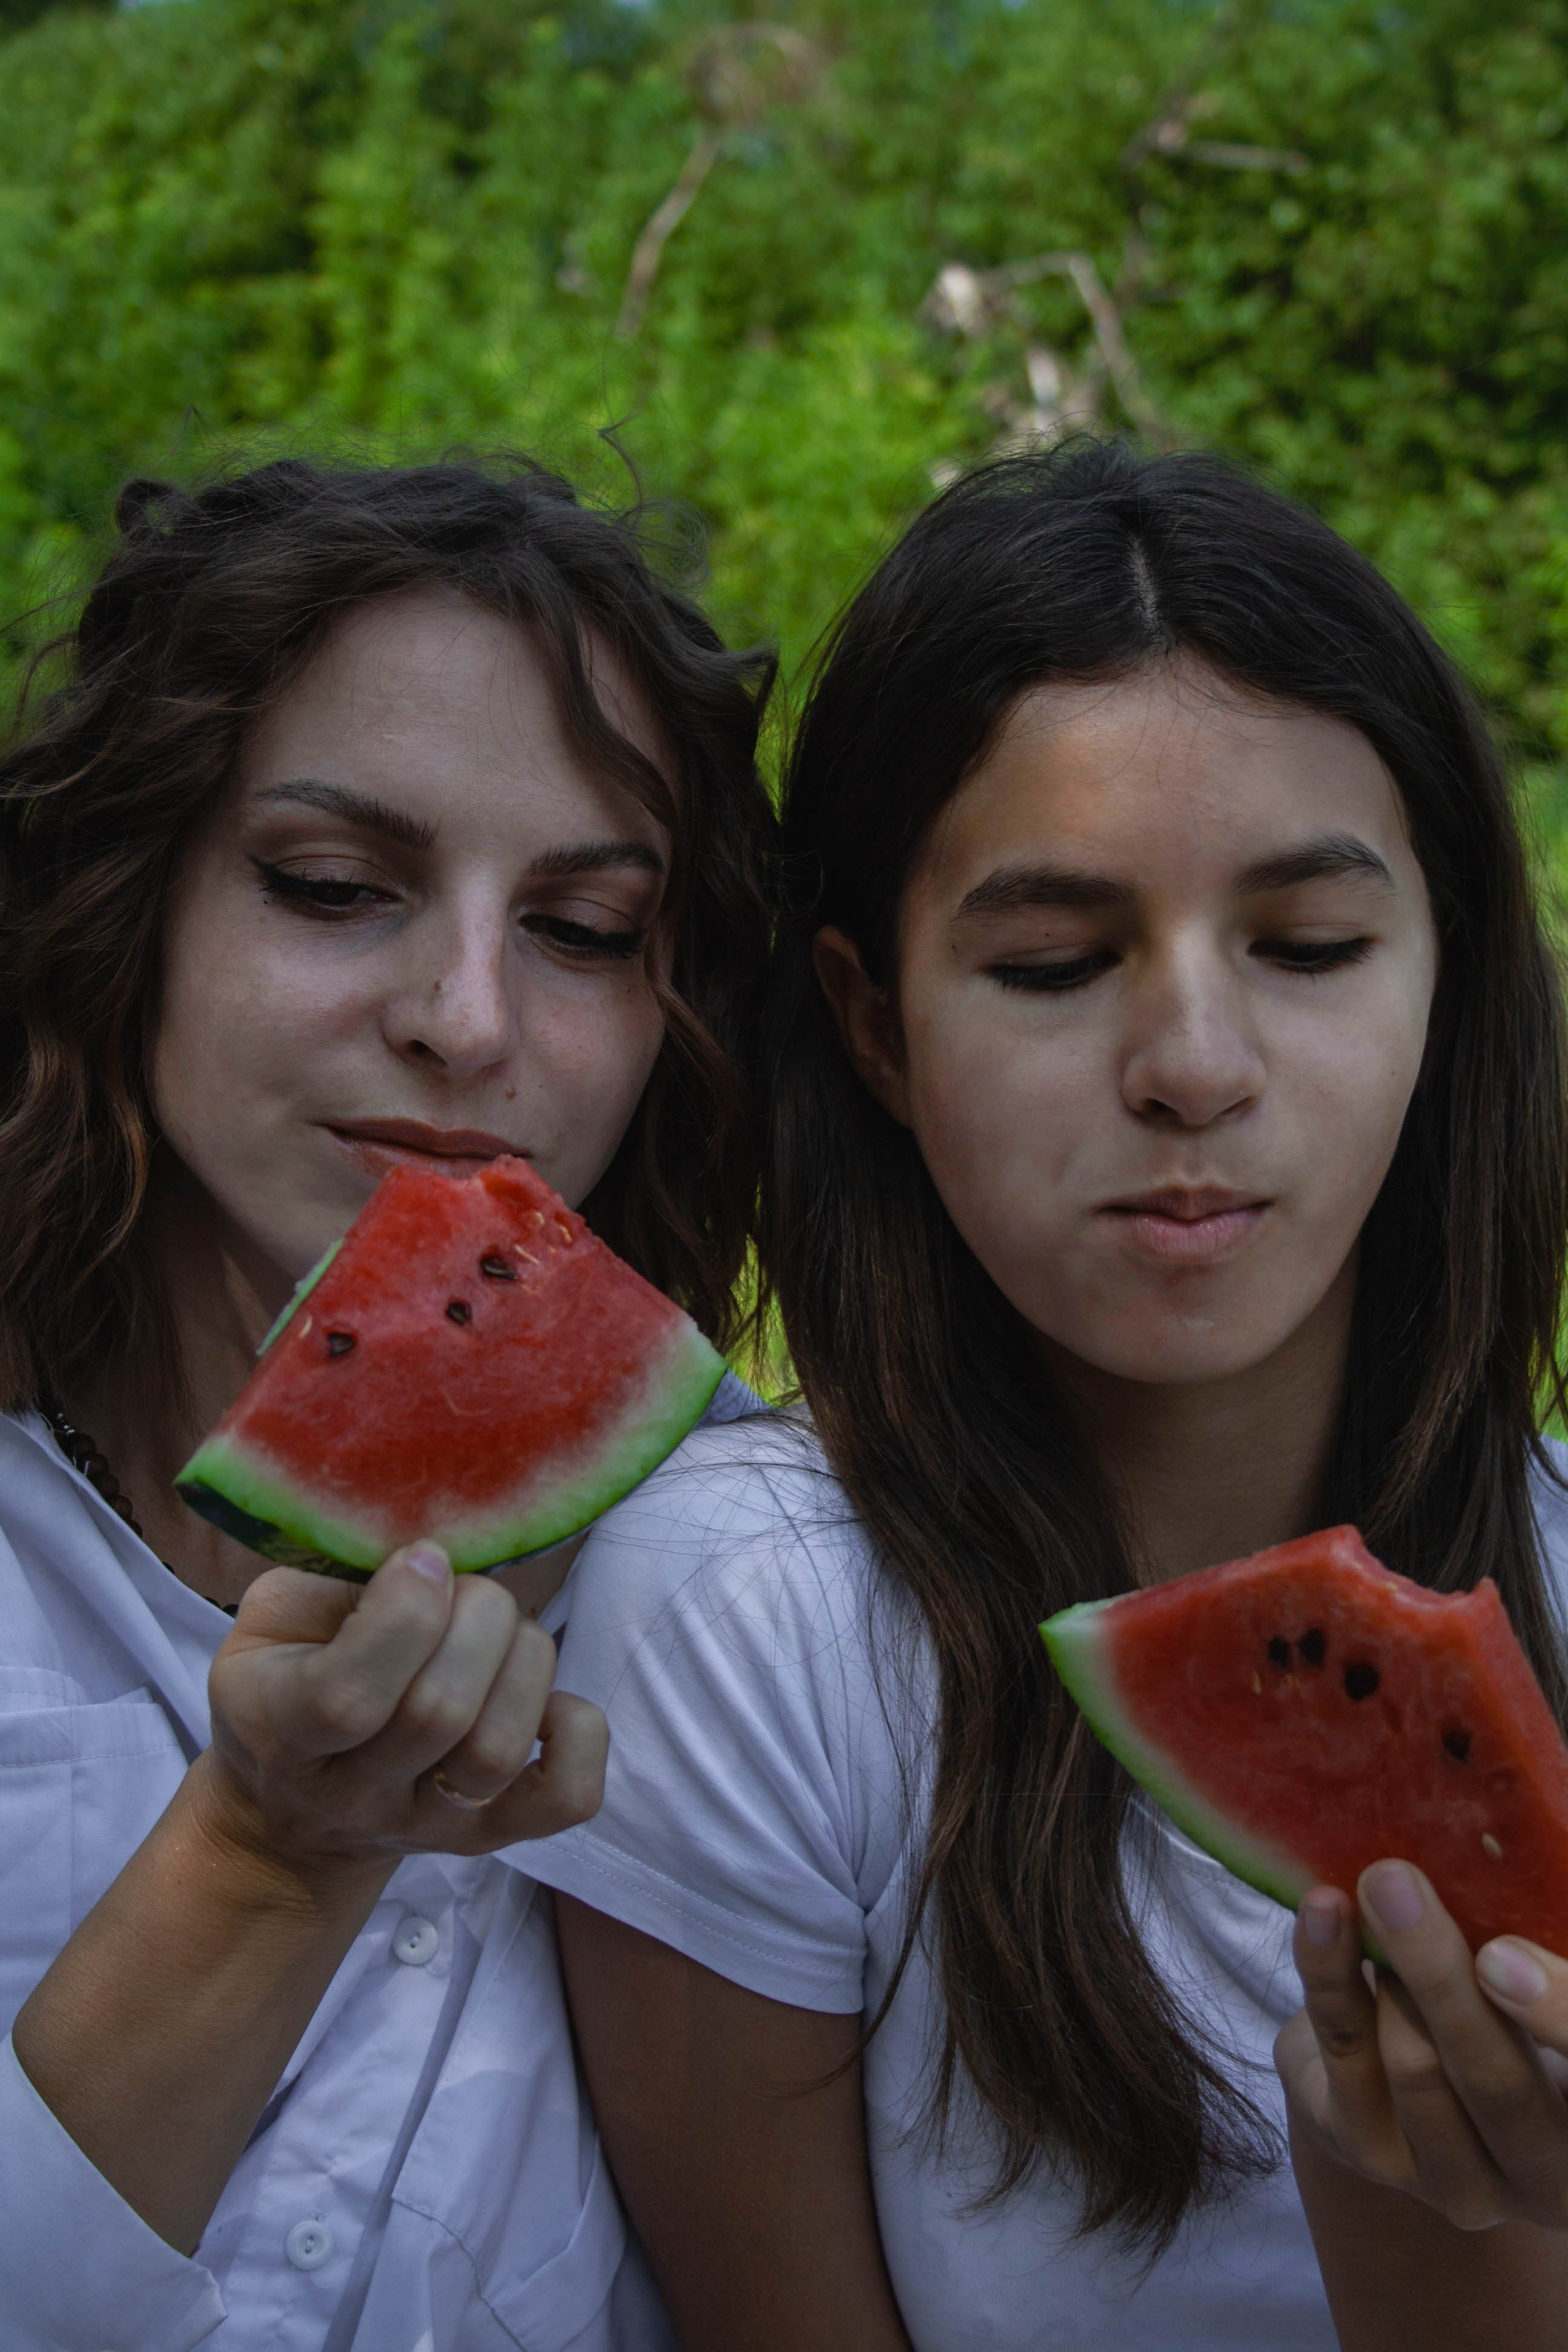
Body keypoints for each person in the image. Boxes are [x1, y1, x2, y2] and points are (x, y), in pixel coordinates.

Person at [516, 441, 1568, 2350]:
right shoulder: (754, 1618)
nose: (1191, 1065)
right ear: (873, 1024)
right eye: (1056, 962)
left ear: (1448, 982)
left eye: (1312, 949)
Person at [0, 454, 774, 2350]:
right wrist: (270, 1858)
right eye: (336, 887)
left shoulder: (787, 1598)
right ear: (130, 910)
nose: (469, 1018)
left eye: (586, 930)